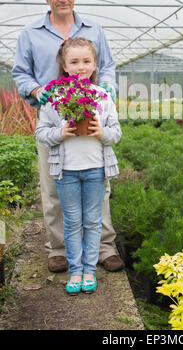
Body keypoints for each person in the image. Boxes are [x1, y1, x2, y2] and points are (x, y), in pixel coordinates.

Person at [12, 0, 125, 273]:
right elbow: (20, 73)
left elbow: (110, 65)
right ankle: (59, 249)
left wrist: (108, 89)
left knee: (96, 182)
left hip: (90, 115)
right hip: (54, 120)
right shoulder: (31, 34)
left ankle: (103, 247)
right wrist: (37, 91)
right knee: (53, 184)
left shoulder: (94, 29)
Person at [35, 37, 122, 294]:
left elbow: (116, 133)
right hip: (67, 172)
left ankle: (89, 271)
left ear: (95, 64)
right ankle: (75, 271)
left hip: (96, 169)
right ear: (64, 66)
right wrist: (60, 133)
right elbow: (41, 132)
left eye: (86, 61)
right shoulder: (55, 98)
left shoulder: (103, 96)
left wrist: (100, 131)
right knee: (72, 222)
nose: (80, 66)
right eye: (74, 61)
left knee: (93, 221)